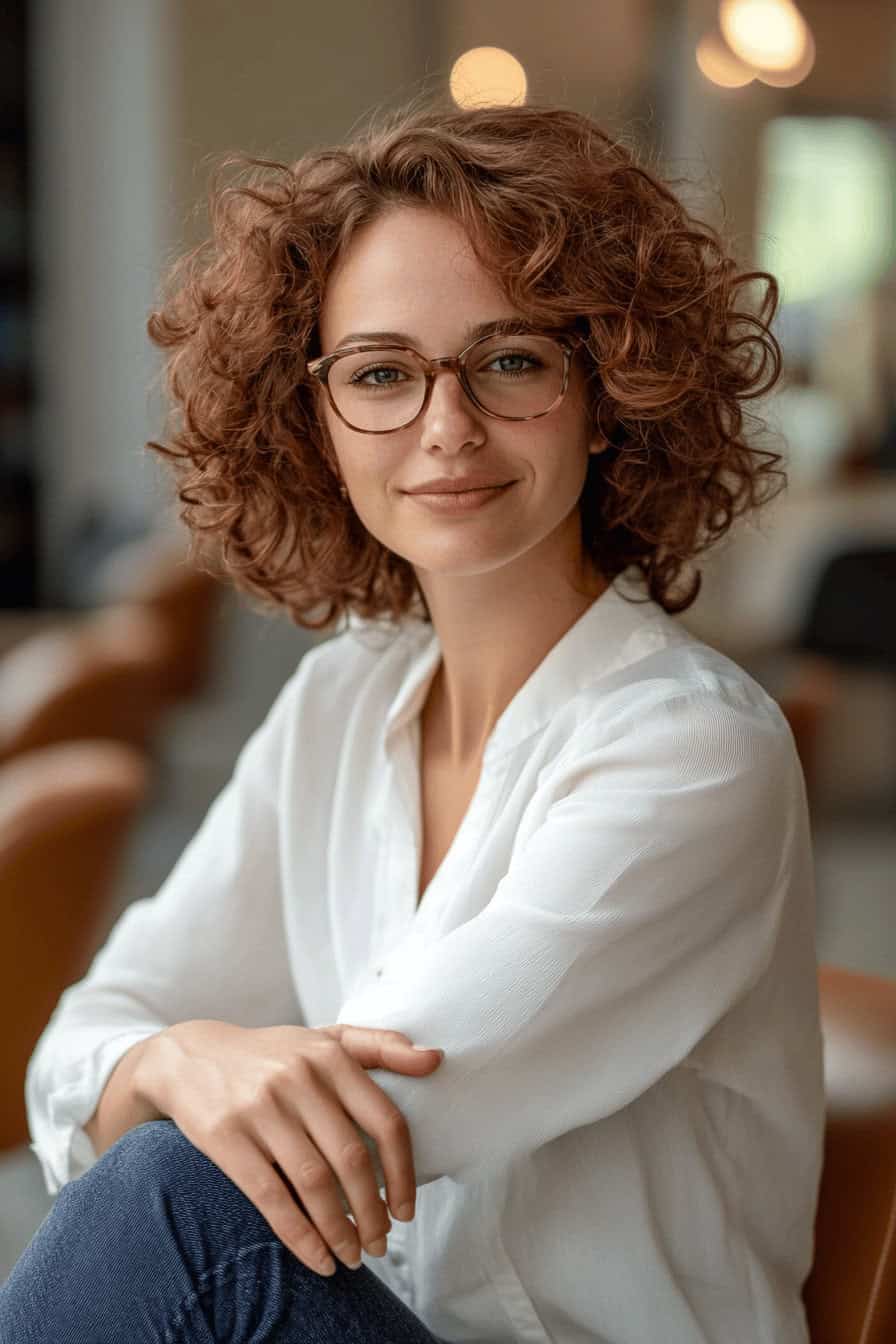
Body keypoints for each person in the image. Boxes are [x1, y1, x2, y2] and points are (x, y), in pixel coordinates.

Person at [0, 100, 825, 1344]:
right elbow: (83, 1037)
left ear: (604, 392)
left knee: (170, 1201)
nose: (445, 428)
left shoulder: (692, 749)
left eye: (508, 361)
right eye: (380, 373)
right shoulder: (341, 697)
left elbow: (350, 1134)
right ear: (317, 421)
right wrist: (173, 1059)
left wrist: (177, 1065)